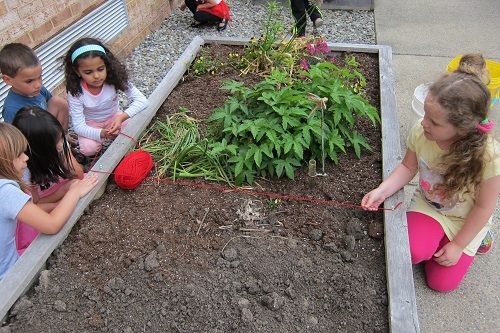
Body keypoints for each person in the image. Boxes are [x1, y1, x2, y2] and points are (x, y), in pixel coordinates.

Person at [361, 53, 500, 292]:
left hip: (465, 218)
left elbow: (483, 207)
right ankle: (437, 239)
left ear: (462, 129)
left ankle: (480, 237)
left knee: (441, 284)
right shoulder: (421, 133)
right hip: (431, 207)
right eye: (426, 115)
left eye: (434, 122)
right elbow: (408, 167)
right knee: (411, 252)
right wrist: (382, 191)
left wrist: (458, 245)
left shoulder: (488, 157)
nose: (424, 123)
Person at [0, 122, 98, 280]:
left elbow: (32, 208)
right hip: (9, 276)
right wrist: (74, 192)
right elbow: (51, 225)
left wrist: (61, 199)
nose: (26, 158)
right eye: (18, 154)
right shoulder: (5, 190)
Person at [12, 106, 85, 254]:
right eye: (54, 143)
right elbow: (35, 204)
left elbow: (79, 174)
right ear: (34, 150)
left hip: (62, 192)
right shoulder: (23, 169)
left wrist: (64, 154)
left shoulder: (58, 144)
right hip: (42, 208)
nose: (59, 145)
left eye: (59, 138)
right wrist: (64, 194)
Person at [62, 37, 149, 157]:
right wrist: (101, 133)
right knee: (88, 149)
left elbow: (142, 100)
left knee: (134, 129)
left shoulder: (114, 80)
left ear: (107, 66)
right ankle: (97, 151)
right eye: (88, 72)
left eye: (100, 69)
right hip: (91, 124)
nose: (96, 76)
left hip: (114, 117)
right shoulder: (76, 92)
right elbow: (78, 126)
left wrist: (121, 118)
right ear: (77, 72)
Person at [0, 43, 69, 129]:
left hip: (49, 128)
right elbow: (17, 139)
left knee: (58, 102)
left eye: (39, 77)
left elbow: (53, 104)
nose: (38, 84)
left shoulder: (39, 89)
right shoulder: (12, 109)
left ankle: (64, 136)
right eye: (29, 81)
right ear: (8, 80)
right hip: (34, 138)